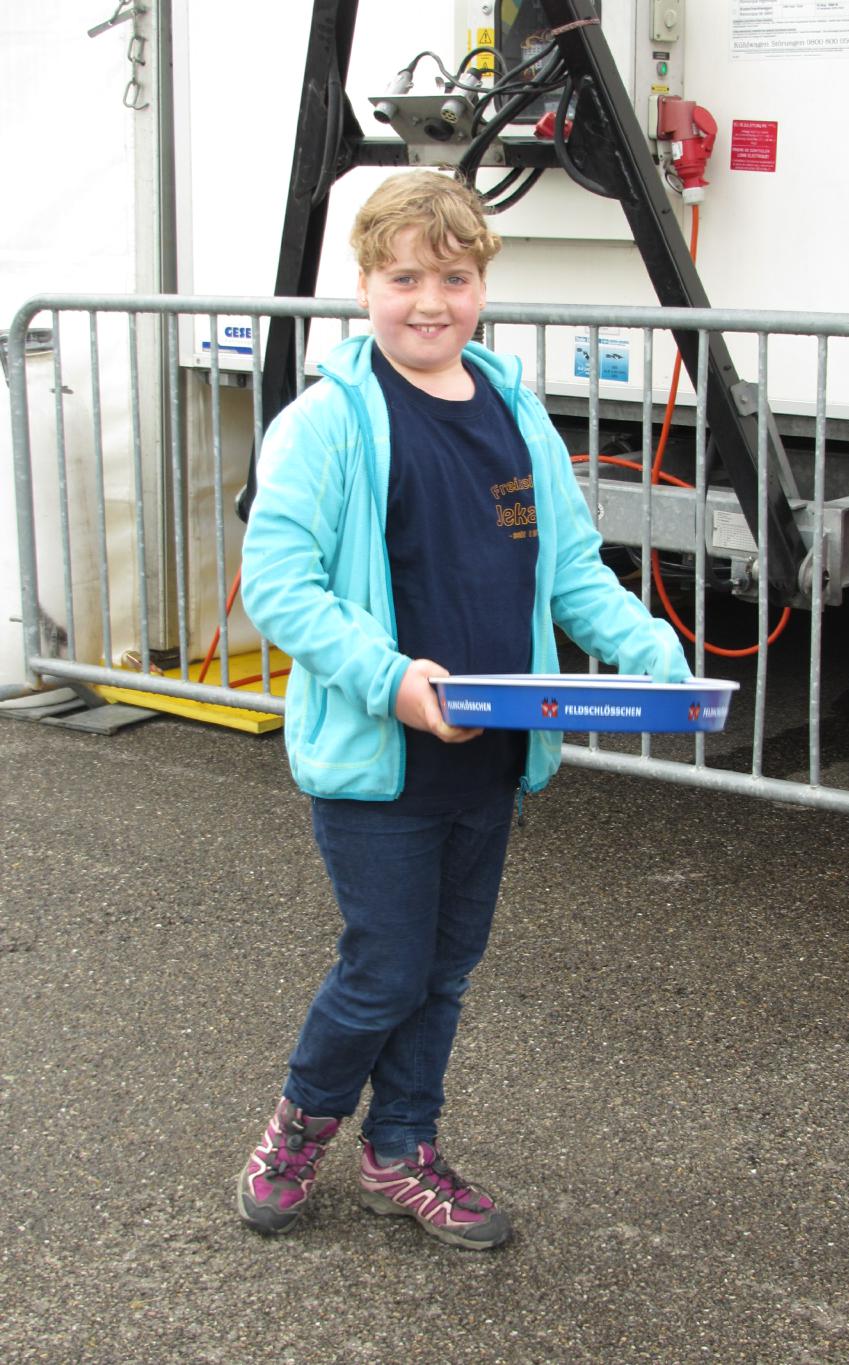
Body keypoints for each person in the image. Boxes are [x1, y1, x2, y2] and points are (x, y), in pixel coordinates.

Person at [236, 169, 692, 1250]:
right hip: (380, 761)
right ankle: (297, 1131)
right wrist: (394, 680)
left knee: (442, 974)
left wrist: (650, 652)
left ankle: (401, 1152)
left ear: (482, 284)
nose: (430, 302)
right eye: (404, 278)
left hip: (490, 759)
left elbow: (570, 570)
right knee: (383, 970)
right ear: (363, 285)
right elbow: (279, 587)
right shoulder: (326, 423)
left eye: (453, 277)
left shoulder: (515, 412)